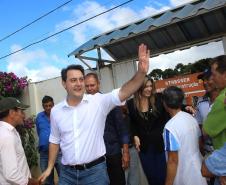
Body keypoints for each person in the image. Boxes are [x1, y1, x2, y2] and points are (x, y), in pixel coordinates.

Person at [39, 43, 150, 185]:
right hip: (67, 175)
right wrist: (49, 167)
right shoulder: (56, 111)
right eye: (73, 80)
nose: (79, 84)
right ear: (64, 83)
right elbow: (54, 140)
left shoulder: (98, 102)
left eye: (81, 79)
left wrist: (141, 73)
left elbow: (124, 91)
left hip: (95, 174)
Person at [85, 72, 130, 185]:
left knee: (117, 182)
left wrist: (125, 152)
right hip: (94, 157)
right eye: (87, 86)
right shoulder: (83, 106)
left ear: (98, 84)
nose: (90, 88)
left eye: (92, 85)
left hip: (112, 153)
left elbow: (122, 128)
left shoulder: (109, 101)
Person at [127, 76, 169, 185]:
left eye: (151, 86)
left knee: (163, 176)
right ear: (139, 87)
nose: (149, 89)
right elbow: (132, 123)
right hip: (144, 148)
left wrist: (186, 107)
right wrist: (134, 135)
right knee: (151, 177)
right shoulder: (131, 104)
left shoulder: (159, 98)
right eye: (146, 86)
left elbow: (172, 106)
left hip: (161, 145)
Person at [162, 86, 207, 185]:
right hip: (199, 172)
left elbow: (173, 160)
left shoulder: (170, 128)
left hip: (183, 176)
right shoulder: (191, 118)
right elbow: (200, 145)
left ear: (165, 103)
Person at [0, 97, 39, 185]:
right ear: (12, 113)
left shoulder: (8, 131)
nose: (24, 115)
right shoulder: (6, 136)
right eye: (21, 111)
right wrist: (31, 182)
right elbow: (11, 174)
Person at [201, 55, 226, 185]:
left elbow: (206, 131)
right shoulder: (201, 102)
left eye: (214, 74)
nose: (211, 79)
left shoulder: (222, 100)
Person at [36, 95, 61, 185]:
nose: (48, 108)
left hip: (59, 153)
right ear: (43, 106)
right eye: (46, 106)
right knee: (47, 181)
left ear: (53, 105)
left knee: (63, 178)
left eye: (50, 105)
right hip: (44, 154)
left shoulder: (59, 116)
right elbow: (39, 132)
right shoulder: (39, 117)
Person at [121, 105, 140, 185]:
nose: (124, 105)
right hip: (120, 151)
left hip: (132, 149)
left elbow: (134, 128)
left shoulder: (129, 115)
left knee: (134, 178)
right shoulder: (112, 117)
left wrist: (135, 136)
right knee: (123, 178)